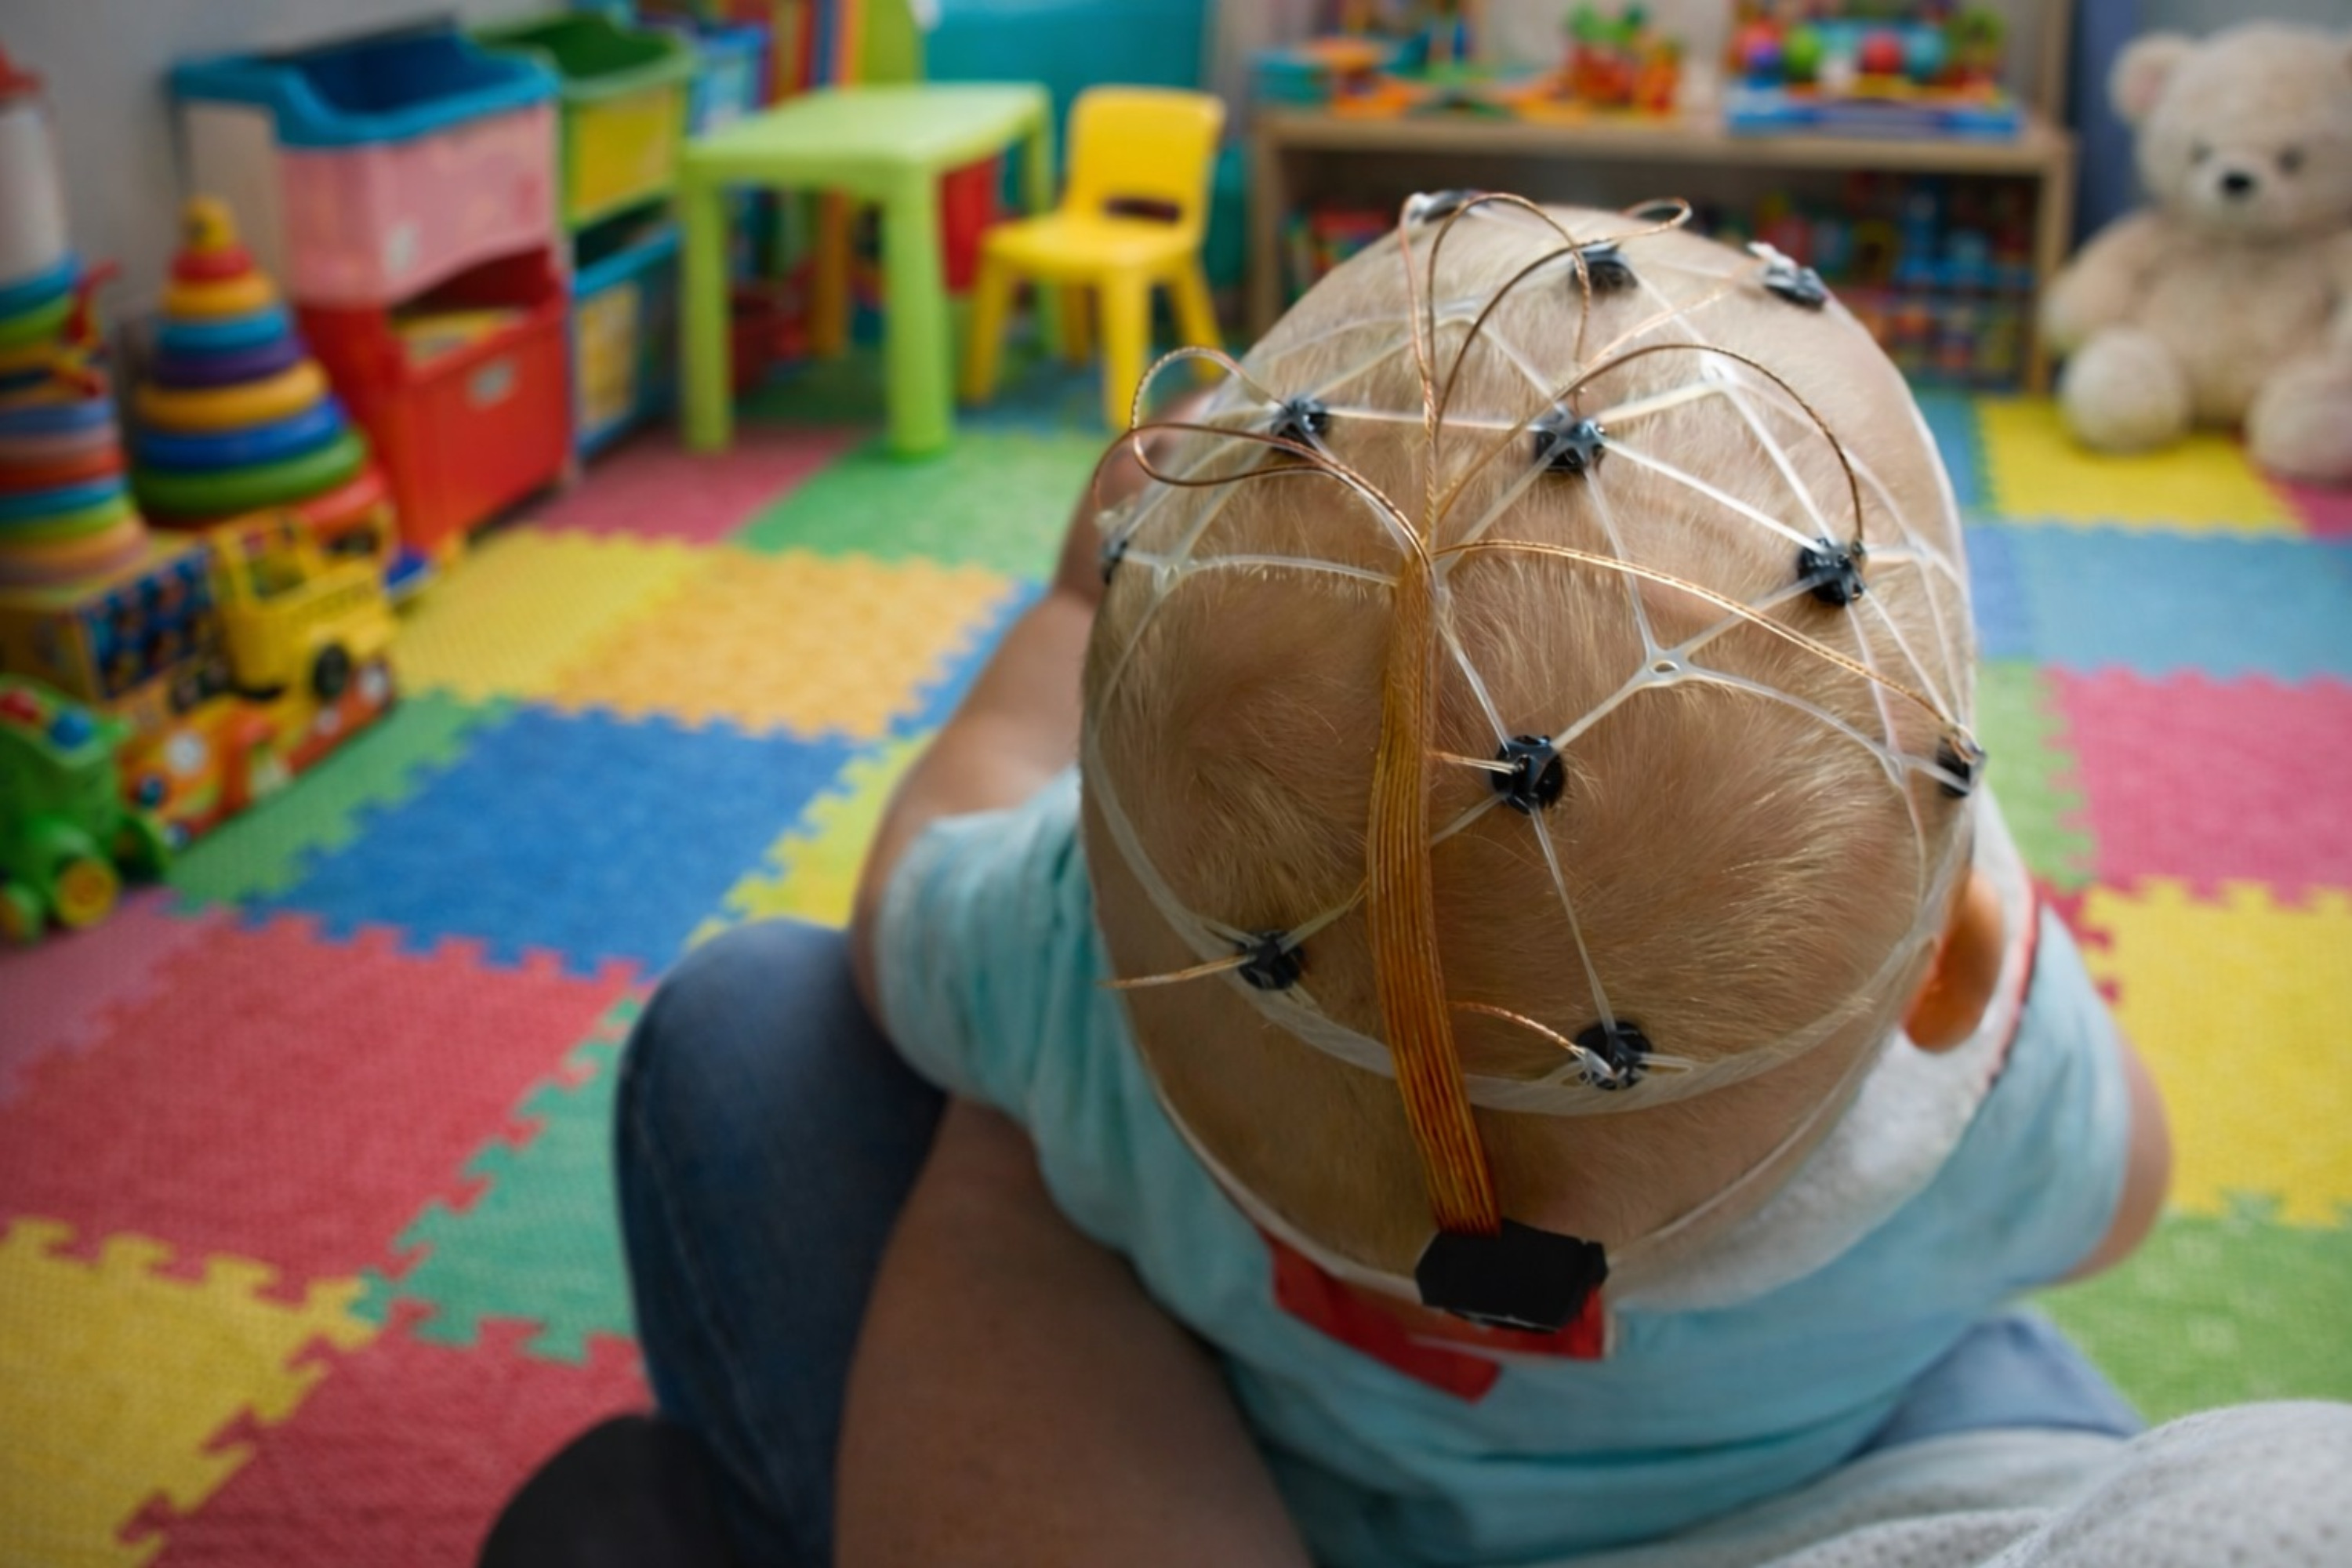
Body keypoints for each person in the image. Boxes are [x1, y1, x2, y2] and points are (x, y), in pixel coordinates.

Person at [492, 198, 2352, 1568]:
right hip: (1886, 1479)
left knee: (738, 1024)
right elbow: (2124, 1202)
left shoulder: (1073, 981)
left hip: (1291, 1492)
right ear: (1960, 964)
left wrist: (1073, 609)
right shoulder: (1999, 1090)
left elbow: (908, 908)